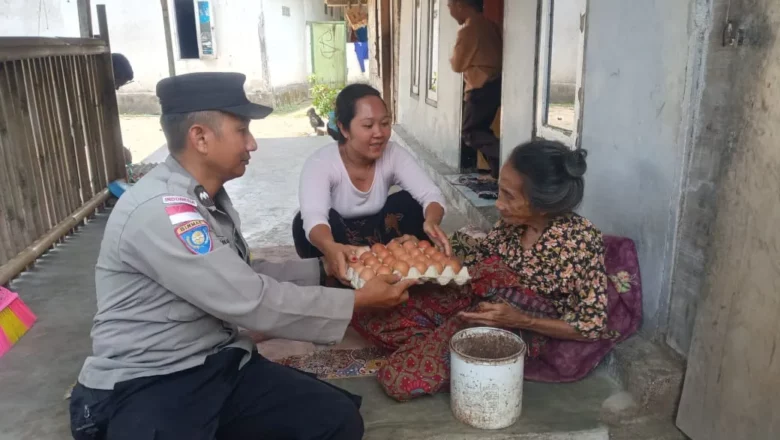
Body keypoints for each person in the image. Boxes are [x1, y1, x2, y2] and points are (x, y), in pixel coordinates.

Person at [68, 72, 418, 439]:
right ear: (200, 137)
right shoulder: (164, 210)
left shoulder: (203, 198)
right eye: (241, 130)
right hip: (149, 381)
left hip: (217, 363)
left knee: (336, 420)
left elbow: (242, 273)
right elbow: (250, 299)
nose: (252, 144)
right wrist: (357, 301)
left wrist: (324, 269)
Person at [351, 140, 642, 401]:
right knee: (368, 314)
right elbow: (476, 263)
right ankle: (440, 341)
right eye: (499, 189)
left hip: (514, 323)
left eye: (509, 195)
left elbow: (591, 327)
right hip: (480, 302)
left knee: (398, 380)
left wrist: (522, 319)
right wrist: (425, 253)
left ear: (542, 205)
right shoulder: (512, 224)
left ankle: (445, 345)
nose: (498, 204)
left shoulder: (580, 242)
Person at [293, 83, 451, 283]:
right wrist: (330, 247)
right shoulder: (321, 163)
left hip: (381, 235)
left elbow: (430, 194)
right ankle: (339, 270)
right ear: (344, 128)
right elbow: (314, 217)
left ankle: (396, 264)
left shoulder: (393, 155)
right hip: (341, 238)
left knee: (410, 204)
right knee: (304, 225)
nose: (379, 133)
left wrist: (431, 221)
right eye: (368, 126)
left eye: (385, 123)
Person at [447, 0, 503, 178]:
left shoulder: (469, 30)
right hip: (494, 85)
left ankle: (506, 156)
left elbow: (457, 64)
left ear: (460, 5)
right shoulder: (490, 25)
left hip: (480, 87)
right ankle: (497, 172)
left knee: (470, 133)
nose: (450, 12)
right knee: (481, 130)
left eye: (450, 7)